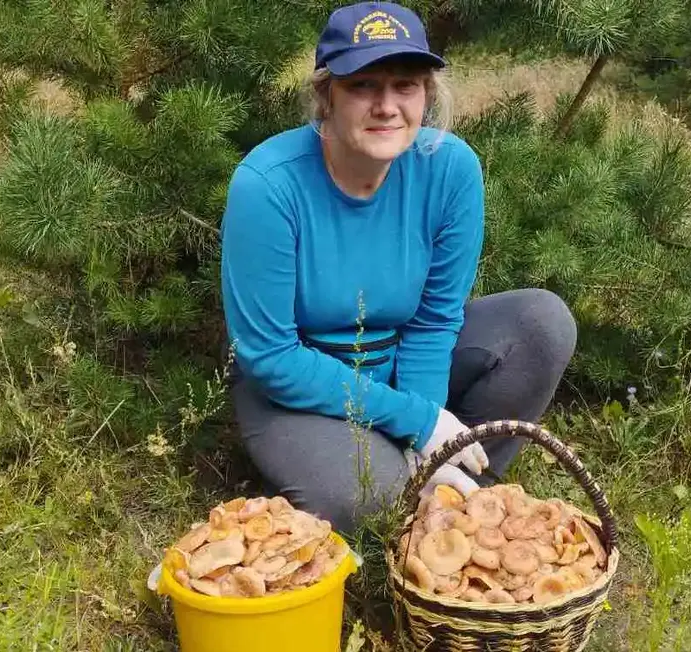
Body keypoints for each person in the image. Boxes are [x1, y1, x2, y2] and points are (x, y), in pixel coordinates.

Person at [219, 1, 576, 534]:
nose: (387, 105)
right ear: (326, 96)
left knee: (541, 324)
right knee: (368, 499)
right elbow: (270, 357)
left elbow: (433, 322)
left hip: (404, 371)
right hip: (298, 391)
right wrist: (417, 421)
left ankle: (459, 492)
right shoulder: (268, 185)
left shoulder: (450, 170)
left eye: (405, 85)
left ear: (426, 95)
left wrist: (425, 437)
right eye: (364, 85)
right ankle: (371, 481)